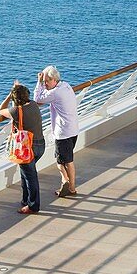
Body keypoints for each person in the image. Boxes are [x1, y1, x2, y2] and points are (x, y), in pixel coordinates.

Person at [0, 82, 46, 214]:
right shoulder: (34, 105)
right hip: (40, 145)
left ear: (15, 99)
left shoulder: (15, 111)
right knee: (26, 172)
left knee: (31, 177)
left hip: (26, 149)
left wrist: (9, 95)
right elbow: (22, 109)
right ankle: (25, 199)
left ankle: (33, 205)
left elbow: (0, 110)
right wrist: (17, 91)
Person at [34, 65, 80, 198]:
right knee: (68, 159)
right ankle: (69, 187)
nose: (45, 84)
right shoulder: (66, 86)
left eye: (46, 82)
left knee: (61, 162)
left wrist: (38, 82)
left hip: (63, 132)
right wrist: (43, 83)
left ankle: (67, 183)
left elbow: (38, 100)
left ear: (54, 80)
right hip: (73, 129)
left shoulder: (55, 93)